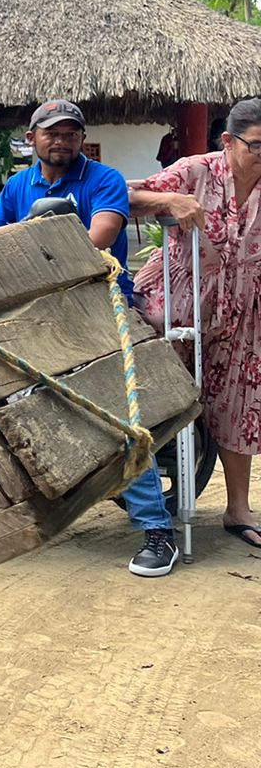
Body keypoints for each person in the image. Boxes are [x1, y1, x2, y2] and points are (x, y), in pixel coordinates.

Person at [0, 99, 180, 576]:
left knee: (116, 411)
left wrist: (19, 246)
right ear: (32, 138)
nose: (61, 139)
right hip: (35, 311)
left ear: (81, 139)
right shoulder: (17, 185)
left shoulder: (103, 179)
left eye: (71, 132)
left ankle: (157, 530)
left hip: (99, 307)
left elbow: (98, 238)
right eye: (52, 132)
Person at [129, 97, 261, 553]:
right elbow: (123, 195)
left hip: (242, 312)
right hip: (174, 305)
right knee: (151, 400)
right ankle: (149, 510)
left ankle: (238, 509)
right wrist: (168, 197)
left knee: (239, 402)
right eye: (257, 146)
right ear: (228, 141)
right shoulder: (197, 170)